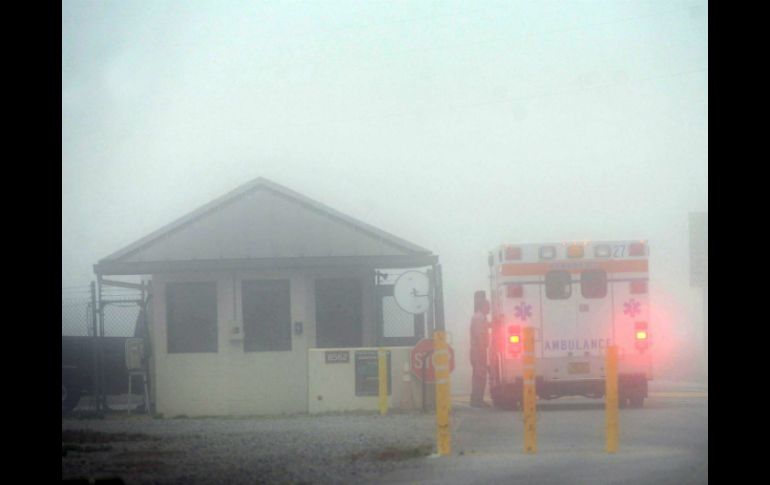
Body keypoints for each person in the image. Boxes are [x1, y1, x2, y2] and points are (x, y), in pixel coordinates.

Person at [470, 290, 491, 408]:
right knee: (480, 376)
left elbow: (487, 326)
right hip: (479, 351)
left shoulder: (481, 317)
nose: (490, 309)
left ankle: (476, 399)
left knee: (478, 375)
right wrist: (483, 351)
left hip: (478, 351)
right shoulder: (479, 318)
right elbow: (479, 336)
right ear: (483, 306)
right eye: (488, 306)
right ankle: (477, 400)